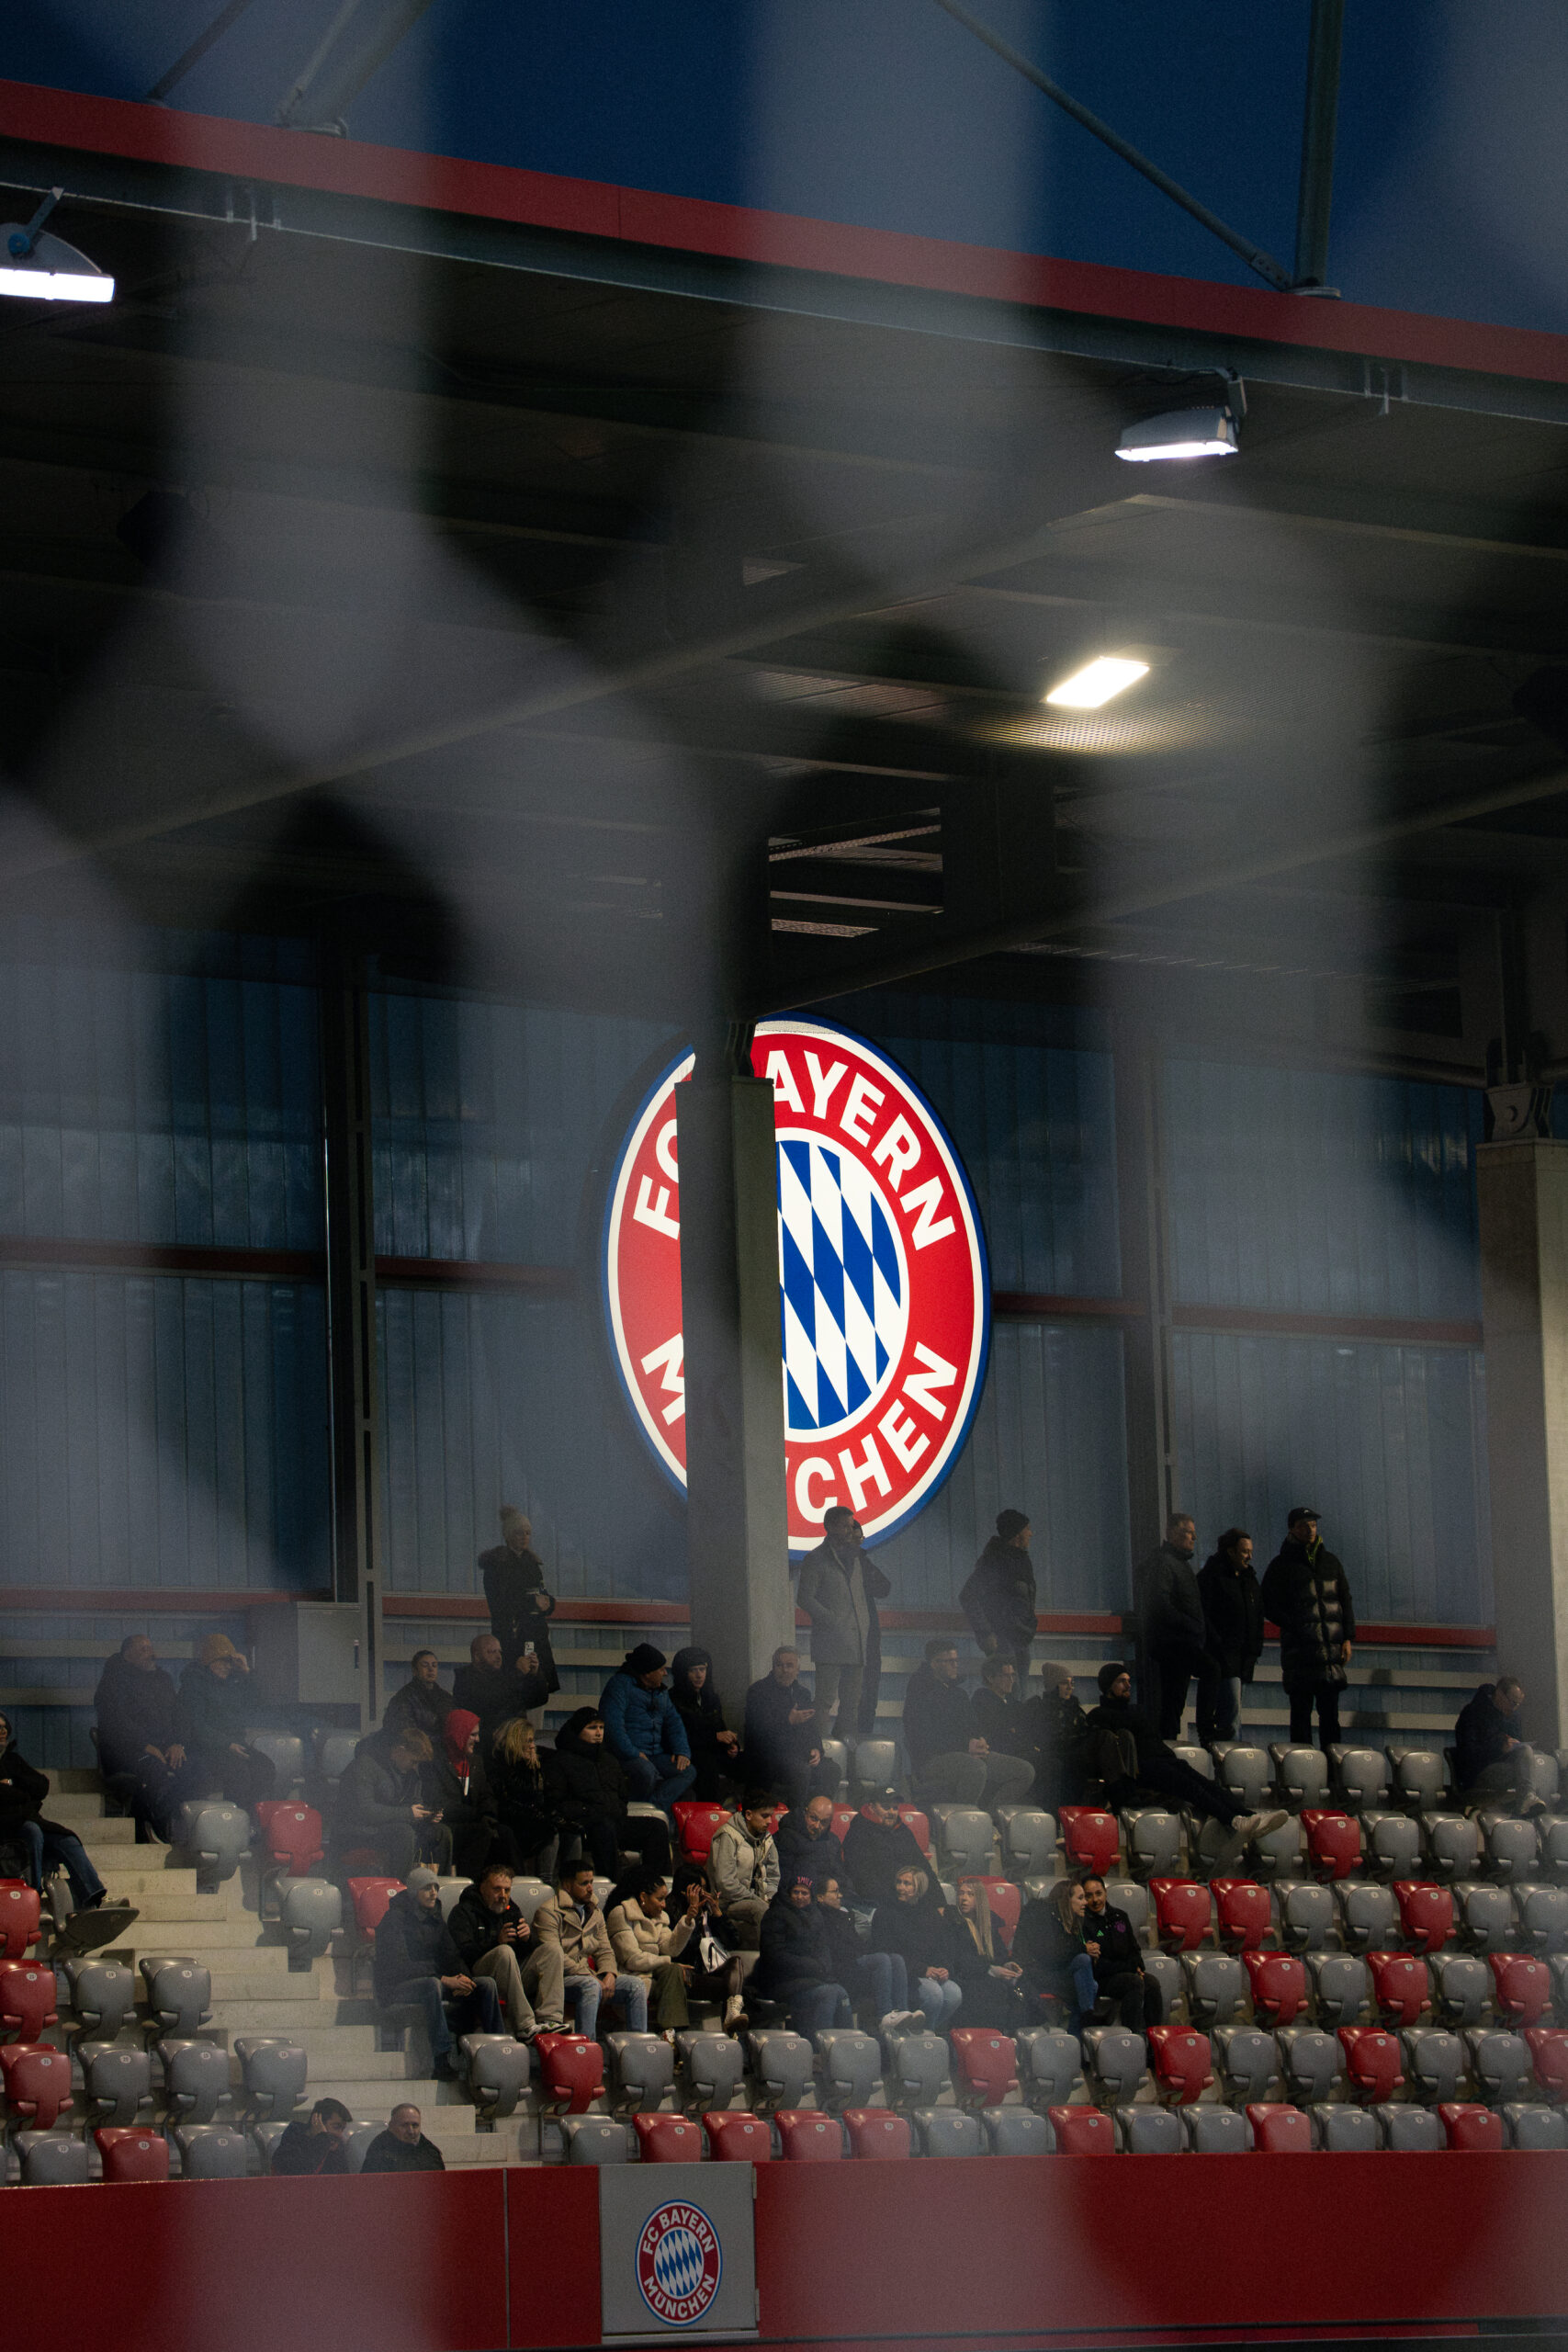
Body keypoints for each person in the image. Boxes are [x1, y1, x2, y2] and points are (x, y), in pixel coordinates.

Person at [1086, 1664, 1286, 1858]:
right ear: (1108, 1686)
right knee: (1191, 1788)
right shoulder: (1099, 1716)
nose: (1128, 1685)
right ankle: (1234, 1820)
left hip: (1163, 1760)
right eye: (1121, 1681)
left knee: (1206, 1784)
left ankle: (1249, 1816)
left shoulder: (1136, 1711)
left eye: (1128, 1681)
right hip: (1142, 1768)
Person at [0, 1711, 137, 1946]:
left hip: (27, 1819)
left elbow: (41, 1785)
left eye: (4, 1727)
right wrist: (21, 1794)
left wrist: (13, 1787)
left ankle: (93, 1897)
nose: (2, 1731)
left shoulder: (13, 1761)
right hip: (6, 1827)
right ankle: (31, 1897)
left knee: (67, 1839)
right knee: (33, 1831)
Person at [371, 1866, 503, 2079]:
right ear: (414, 1892)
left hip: (433, 1980)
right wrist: (442, 1978)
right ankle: (442, 2058)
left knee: (485, 1985)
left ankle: (499, 2053)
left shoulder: (435, 1915)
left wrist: (463, 1979)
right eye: (427, 1888)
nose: (434, 1892)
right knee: (432, 1985)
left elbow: (451, 1955)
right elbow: (398, 1967)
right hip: (396, 1987)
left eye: (435, 1887)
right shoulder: (394, 1919)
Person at [1259, 1508, 1357, 1752]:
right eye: (1304, 1525)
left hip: (1329, 1653)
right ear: (1292, 1529)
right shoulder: (1281, 1565)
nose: (1310, 1530)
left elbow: (1345, 1599)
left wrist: (1347, 1638)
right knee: (1301, 1717)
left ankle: (1332, 1776)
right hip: (1301, 1652)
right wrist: (1295, 1625)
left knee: (1330, 1718)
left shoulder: (1330, 1561)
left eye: (1313, 1525)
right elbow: (1267, 1603)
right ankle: (1303, 1775)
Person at [900, 1638, 1033, 1811]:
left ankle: (989, 1817)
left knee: (1024, 1771)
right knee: (976, 1769)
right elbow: (923, 1737)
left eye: (956, 1660)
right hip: (932, 1759)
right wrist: (965, 1745)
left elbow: (974, 1726)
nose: (956, 1665)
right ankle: (962, 1822)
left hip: (966, 1753)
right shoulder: (919, 1693)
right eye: (950, 1661)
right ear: (934, 1663)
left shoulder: (959, 1693)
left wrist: (981, 1740)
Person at [795, 1506, 890, 1742]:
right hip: (830, 1642)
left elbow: (877, 1589)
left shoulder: (856, 1558)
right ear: (830, 1526)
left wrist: (863, 1625)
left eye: (852, 1525)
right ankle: (818, 1747)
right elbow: (804, 1598)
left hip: (857, 1641)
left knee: (853, 1703)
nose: (851, 1530)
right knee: (825, 1700)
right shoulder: (815, 1559)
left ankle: (846, 1753)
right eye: (846, 1525)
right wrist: (832, 1620)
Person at [93, 1633, 200, 1839]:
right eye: (143, 1649)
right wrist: (145, 1746)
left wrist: (178, 1744)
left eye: (150, 1648)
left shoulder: (163, 1680)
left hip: (165, 1750)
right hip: (129, 1755)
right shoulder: (112, 1683)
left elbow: (179, 1716)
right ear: (127, 1655)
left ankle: (152, 1815)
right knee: (154, 1769)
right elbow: (115, 1723)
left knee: (197, 1770)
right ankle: (159, 1828)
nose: (151, 1654)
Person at [546, 1706, 671, 1877]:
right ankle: (613, 1883)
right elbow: (556, 1800)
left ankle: (654, 1884)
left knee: (656, 1826)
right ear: (578, 1730)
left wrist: (619, 1809)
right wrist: (586, 1811)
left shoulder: (609, 1759)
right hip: (583, 1824)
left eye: (601, 1728)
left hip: (614, 1819)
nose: (598, 1732)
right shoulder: (561, 1760)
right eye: (592, 1728)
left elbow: (622, 1794)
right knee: (603, 1827)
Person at [533, 1862, 649, 2039]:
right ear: (567, 1885)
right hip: (559, 1978)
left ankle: (637, 2048)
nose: (590, 1888)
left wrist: (610, 1973)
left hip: (589, 1976)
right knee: (591, 1985)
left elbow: (605, 1950)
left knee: (636, 1986)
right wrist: (590, 1975)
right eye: (584, 1883)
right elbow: (555, 1956)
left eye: (591, 1882)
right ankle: (586, 2049)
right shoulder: (548, 1912)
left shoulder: (595, 1912)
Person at [448, 1860, 565, 2034]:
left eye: (507, 1890)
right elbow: (463, 1953)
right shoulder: (463, 1912)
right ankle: (525, 2025)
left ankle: (551, 2019)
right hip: (479, 1975)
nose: (503, 1895)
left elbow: (524, 1952)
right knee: (504, 1951)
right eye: (497, 1889)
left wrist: (527, 1940)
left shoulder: (511, 1909)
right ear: (482, 1888)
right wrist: (497, 1941)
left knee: (552, 1950)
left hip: (512, 1975)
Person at [1133, 1512, 1215, 1740]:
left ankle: (1170, 1738)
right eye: (1188, 1532)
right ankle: (1205, 1730)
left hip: (1179, 1641)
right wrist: (1189, 1625)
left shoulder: (1178, 1564)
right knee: (1207, 1673)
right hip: (1175, 1642)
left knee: (1174, 1698)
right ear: (1171, 1533)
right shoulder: (1166, 1563)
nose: (1194, 1538)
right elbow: (1160, 1603)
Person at [175, 1634, 276, 1814]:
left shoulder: (233, 1683)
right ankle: (234, 1820)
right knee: (239, 1773)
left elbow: (259, 1701)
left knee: (265, 1767)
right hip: (206, 1748)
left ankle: (249, 1816)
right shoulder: (193, 1684)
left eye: (229, 1663)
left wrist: (246, 1672)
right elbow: (196, 1725)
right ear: (208, 1661)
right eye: (222, 1662)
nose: (227, 1667)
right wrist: (226, 1744)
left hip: (235, 1744)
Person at [338, 1724, 451, 1879]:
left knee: (441, 1833)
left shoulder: (410, 1773)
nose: (415, 1766)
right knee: (403, 1833)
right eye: (413, 1761)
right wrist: (408, 1813)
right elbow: (365, 1811)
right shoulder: (365, 1766)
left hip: (394, 1825)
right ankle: (401, 1890)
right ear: (400, 1750)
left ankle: (437, 1886)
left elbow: (414, 1803)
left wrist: (426, 1815)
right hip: (362, 1831)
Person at [598, 1645, 695, 1817]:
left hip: (655, 1754)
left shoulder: (661, 1692)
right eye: (660, 1669)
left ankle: (653, 1808)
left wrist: (682, 1751)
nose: (665, 1673)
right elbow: (613, 1726)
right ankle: (636, 1813)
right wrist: (633, 1752)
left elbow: (674, 1722)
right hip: (626, 1755)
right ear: (647, 1673)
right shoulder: (620, 1686)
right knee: (645, 1772)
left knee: (687, 1771)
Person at [754, 1874, 852, 2038]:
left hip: (810, 1981)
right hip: (782, 1984)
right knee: (828, 1993)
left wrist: (821, 1967)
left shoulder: (815, 1916)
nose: (800, 1897)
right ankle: (819, 2049)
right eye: (796, 1892)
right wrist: (812, 1967)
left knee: (841, 1992)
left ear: (810, 1896)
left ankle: (844, 2046)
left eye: (804, 1893)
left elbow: (823, 1950)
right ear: (788, 1893)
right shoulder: (775, 1916)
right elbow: (776, 1957)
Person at [606, 1865, 700, 2031]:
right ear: (643, 1897)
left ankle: (671, 2034)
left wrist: (687, 1921)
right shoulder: (620, 1914)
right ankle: (672, 2034)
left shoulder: (660, 1917)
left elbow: (670, 1949)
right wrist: (668, 1962)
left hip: (652, 1976)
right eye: (660, 1899)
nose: (664, 1905)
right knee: (673, 1970)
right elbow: (632, 1960)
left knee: (674, 1972)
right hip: (630, 1977)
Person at [478, 1505, 559, 1696]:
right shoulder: (496, 1566)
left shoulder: (532, 1565)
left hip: (536, 1635)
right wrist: (532, 1603)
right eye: (519, 1532)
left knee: (539, 1686)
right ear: (508, 1535)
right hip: (512, 1635)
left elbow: (542, 1592)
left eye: (528, 1533)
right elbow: (499, 1603)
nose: (524, 1537)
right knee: (515, 1686)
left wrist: (549, 1603)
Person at [870, 1865, 962, 2030]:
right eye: (899, 1882)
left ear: (919, 1888)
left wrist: (943, 1968)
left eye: (907, 1884)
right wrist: (923, 1969)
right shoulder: (885, 1912)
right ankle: (923, 2038)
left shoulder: (930, 1913)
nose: (901, 1887)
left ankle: (922, 2033)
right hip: (906, 1974)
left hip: (930, 1972)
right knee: (934, 1995)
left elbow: (943, 1947)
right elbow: (888, 1952)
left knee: (954, 1994)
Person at [429, 1708, 513, 1881]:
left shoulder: (475, 1761)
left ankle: (507, 1885)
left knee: (504, 1832)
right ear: (459, 1733)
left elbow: (486, 1795)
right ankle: (470, 1884)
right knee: (481, 1832)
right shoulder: (434, 1763)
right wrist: (477, 1815)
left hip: (475, 1821)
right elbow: (439, 1802)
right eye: (472, 1735)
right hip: (449, 1823)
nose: (478, 1740)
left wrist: (488, 1815)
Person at [742, 1648, 833, 1809]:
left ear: (797, 1670)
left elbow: (812, 1729)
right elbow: (757, 1732)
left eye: (789, 1666)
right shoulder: (758, 1691)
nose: (784, 1670)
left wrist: (817, 1749)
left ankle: (817, 1814)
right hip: (769, 1755)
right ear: (773, 1667)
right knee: (800, 1771)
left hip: (799, 1754)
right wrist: (788, 1721)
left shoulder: (802, 1693)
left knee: (832, 1770)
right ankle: (795, 1818)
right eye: (779, 1665)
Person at [1197, 1530, 1264, 1744]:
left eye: (1250, 1552)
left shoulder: (1248, 1580)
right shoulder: (1212, 1578)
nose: (1249, 1557)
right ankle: (1230, 1763)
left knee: (1234, 1712)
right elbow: (1204, 1615)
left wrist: (1254, 1649)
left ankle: (1231, 1759)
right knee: (1231, 1714)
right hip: (1225, 1656)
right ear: (1230, 1551)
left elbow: (1257, 1616)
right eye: (1245, 1552)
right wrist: (1219, 1644)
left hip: (1241, 1657)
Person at [814, 1871, 907, 2027]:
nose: (840, 1895)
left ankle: (903, 2013)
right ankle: (885, 2016)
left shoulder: (843, 1916)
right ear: (820, 1897)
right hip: (840, 1969)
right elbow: (834, 1949)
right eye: (834, 1891)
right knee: (881, 1959)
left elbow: (857, 1945)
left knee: (896, 1959)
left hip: (855, 1964)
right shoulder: (819, 1918)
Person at [960, 1509, 1038, 1683]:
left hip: (1020, 1639)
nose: (1031, 1534)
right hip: (1003, 1640)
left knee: (1018, 1695)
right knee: (1009, 1693)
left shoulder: (1022, 1561)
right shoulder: (994, 1562)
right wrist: (986, 1633)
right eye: (1027, 1529)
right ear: (1017, 1533)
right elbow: (968, 1595)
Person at [1082, 1871, 1163, 2030]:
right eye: (1089, 1896)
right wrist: (1130, 1968)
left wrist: (1137, 1967)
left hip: (1126, 1971)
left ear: (1105, 1892)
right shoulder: (1084, 1922)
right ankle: (1131, 2036)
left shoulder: (1120, 1916)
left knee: (1152, 1982)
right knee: (1133, 1982)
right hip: (1102, 1979)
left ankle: (1154, 2040)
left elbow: (1134, 1950)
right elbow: (1098, 1966)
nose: (1095, 1900)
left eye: (1099, 1894)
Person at [1014, 1878, 1100, 2028]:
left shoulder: (1066, 1919)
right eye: (1080, 1898)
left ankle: (1079, 2031)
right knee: (1088, 1980)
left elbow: (1064, 1953)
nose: (1085, 1903)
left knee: (1091, 1981)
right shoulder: (1041, 1913)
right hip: (1034, 1973)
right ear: (1066, 1899)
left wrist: (1090, 1951)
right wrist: (1083, 1948)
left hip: (1054, 1971)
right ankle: (1086, 2019)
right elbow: (1049, 1954)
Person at [1455, 1676, 1545, 1816]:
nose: (1514, 1708)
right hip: (1479, 1771)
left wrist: (1514, 1745)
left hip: (1505, 1765)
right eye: (1512, 1702)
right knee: (1527, 1769)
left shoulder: (1513, 1717)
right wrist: (1499, 1747)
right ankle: (1526, 1803)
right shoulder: (1473, 1713)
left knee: (1533, 1757)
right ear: (1499, 1694)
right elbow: (1468, 1752)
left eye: (1518, 1704)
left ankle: (1527, 1801)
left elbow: (1518, 1746)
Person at [452, 1634, 550, 1754]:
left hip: (516, 1742)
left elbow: (538, 1699)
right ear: (477, 1656)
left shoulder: (505, 1677)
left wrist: (535, 1676)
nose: (498, 1657)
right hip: (488, 1747)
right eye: (492, 1652)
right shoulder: (465, 1679)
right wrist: (518, 1673)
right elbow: (490, 1701)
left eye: (499, 1652)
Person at [706, 1791, 780, 1948]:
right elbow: (726, 1884)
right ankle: (769, 1959)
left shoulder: (767, 1838)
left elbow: (774, 1877)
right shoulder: (728, 1836)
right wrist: (758, 1900)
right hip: (727, 1902)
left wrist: (771, 1897)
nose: (770, 1821)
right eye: (765, 1816)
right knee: (759, 1909)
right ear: (748, 1814)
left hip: (759, 1898)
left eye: (771, 1816)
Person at [951, 1877, 1025, 2029]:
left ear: (979, 1899)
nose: (963, 1898)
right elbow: (960, 1960)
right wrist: (989, 1969)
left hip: (984, 1975)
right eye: (961, 1893)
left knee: (1025, 1985)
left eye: (970, 1894)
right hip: (966, 1977)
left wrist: (1007, 1964)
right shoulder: (954, 1922)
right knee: (994, 1990)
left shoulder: (988, 1923)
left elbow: (999, 1954)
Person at [490, 1715, 559, 1874]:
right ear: (515, 1742)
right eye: (528, 1741)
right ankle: (544, 1881)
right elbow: (504, 1803)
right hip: (513, 1822)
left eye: (533, 1741)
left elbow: (546, 1797)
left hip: (533, 1819)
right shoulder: (499, 1768)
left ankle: (563, 1882)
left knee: (565, 1830)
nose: (532, 1746)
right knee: (549, 1832)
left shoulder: (535, 1767)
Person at [670, 1646, 740, 1802]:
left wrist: (731, 1745)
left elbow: (721, 1728)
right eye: (693, 1670)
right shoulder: (673, 1699)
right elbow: (680, 1736)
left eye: (702, 1669)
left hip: (714, 1750)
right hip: (689, 1753)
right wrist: (715, 1737)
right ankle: (709, 1814)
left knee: (748, 1761)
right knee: (707, 1765)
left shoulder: (711, 1698)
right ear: (683, 1673)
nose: (699, 1675)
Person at [841, 1789, 930, 1910]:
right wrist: (896, 1903)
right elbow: (862, 1878)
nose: (891, 1812)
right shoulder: (859, 1832)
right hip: (873, 1903)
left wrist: (939, 1904)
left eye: (895, 1808)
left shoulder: (903, 1831)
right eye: (886, 1807)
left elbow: (923, 1865)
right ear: (872, 1808)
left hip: (903, 1899)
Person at [1020, 1661, 1089, 1813]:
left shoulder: (1075, 1710)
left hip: (1073, 1754)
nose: (1070, 1687)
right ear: (1053, 1685)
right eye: (1065, 1683)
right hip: (1050, 1756)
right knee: (1058, 1766)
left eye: (1072, 1683)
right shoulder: (1037, 1707)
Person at [776, 1792, 853, 1894]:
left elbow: (840, 1874)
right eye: (813, 1818)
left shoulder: (833, 1841)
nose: (817, 1826)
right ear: (805, 1813)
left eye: (824, 1822)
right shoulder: (786, 1837)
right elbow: (785, 1879)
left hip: (834, 1896)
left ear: (830, 1821)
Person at [383, 1650, 456, 1749]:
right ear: (415, 1670)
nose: (431, 1669)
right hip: (418, 1752)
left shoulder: (445, 1697)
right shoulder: (405, 1697)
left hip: (444, 1751)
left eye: (434, 1665)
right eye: (425, 1665)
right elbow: (407, 1732)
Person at [271, 2097, 352, 2175]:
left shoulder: (336, 2146)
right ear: (316, 2121)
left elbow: (343, 2183)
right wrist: (322, 2140)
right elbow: (300, 2176)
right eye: (336, 2127)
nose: (339, 2134)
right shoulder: (292, 2139)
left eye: (342, 2129)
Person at [360, 2103, 445, 2173]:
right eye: (405, 2125)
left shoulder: (430, 2151)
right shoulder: (379, 2149)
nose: (411, 2131)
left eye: (415, 2125)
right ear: (391, 2126)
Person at [971, 1655, 1025, 1759]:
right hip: (996, 1752)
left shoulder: (1012, 1702)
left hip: (1016, 1749)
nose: (1011, 1680)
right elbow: (997, 1733)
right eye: (1005, 1676)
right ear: (990, 1678)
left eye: (1012, 1675)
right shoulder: (982, 1701)